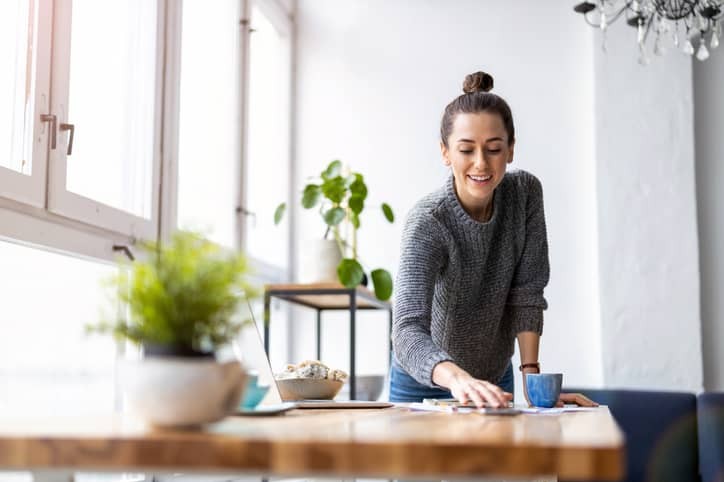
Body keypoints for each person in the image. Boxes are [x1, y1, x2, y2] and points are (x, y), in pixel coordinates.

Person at [389, 71, 595, 408]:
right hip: (424, 382)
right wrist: (457, 378)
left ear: (511, 150)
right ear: (445, 152)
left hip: (492, 379)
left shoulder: (525, 195)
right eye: (466, 150)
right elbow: (407, 329)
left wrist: (533, 380)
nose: (481, 163)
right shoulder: (427, 222)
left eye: (494, 149)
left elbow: (527, 294)